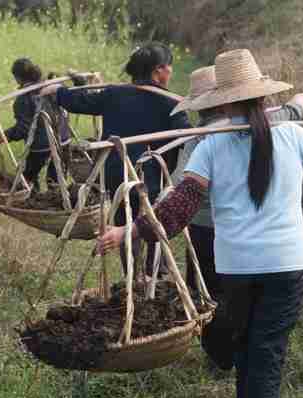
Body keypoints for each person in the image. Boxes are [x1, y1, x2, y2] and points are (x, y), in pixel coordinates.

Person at [97, 49, 303, 398]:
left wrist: (128, 231)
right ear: (265, 96)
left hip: (237, 268)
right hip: (288, 267)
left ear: (221, 105)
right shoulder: (293, 135)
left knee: (248, 346)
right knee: (264, 353)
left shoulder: (210, 147)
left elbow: (178, 209)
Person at [168, 65, 303, 370]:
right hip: (228, 232)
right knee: (228, 297)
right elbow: (288, 115)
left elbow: (181, 188)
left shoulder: (198, 139)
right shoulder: (225, 136)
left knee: (209, 292)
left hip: (206, 230)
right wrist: (300, 101)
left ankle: (220, 353)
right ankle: (233, 349)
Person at [40, 42, 192, 275]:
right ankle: (154, 275)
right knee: (150, 223)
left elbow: (80, 102)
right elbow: (185, 136)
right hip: (150, 177)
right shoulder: (171, 102)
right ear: (159, 70)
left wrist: (58, 92)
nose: (170, 72)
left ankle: (132, 274)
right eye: (170, 67)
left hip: (116, 176)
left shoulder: (114, 93)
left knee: (124, 220)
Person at [2, 58, 72, 190]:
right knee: (57, 179)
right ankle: (57, 201)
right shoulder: (54, 86)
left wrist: (5, 136)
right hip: (64, 139)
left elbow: (23, 128)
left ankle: (31, 198)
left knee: (28, 177)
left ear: (18, 78)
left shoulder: (23, 99)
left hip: (42, 145)